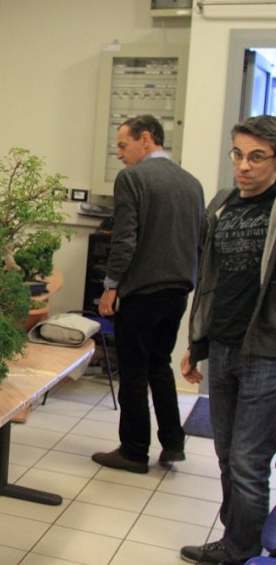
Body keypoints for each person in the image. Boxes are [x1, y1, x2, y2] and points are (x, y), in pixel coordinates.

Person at [179, 115, 276, 565]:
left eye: (257, 157)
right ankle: (236, 542)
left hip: (268, 354)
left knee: (248, 461)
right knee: (225, 454)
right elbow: (210, 282)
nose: (244, 166)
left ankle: (242, 552)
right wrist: (196, 344)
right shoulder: (222, 204)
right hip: (222, 345)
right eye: (238, 154)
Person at [91, 114, 205, 474]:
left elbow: (124, 240)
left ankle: (134, 451)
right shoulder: (192, 183)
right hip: (178, 290)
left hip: (141, 291)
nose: (119, 154)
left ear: (145, 138)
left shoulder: (133, 178)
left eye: (123, 146)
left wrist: (110, 287)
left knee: (134, 371)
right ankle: (173, 444)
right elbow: (198, 239)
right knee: (159, 365)